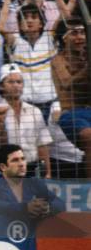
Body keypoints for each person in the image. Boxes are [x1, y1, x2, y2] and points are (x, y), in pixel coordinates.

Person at [0, 64, 53, 177]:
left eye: (19, 82)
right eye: (10, 82)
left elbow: (42, 144)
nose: (16, 85)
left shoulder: (34, 111)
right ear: (1, 86)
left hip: (32, 168)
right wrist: (0, 123)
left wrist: (48, 173)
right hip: (7, 170)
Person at [0, 144, 65, 236]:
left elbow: (60, 204)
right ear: (3, 167)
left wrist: (47, 207)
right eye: (15, 160)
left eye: (23, 159)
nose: (21, 164)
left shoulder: (34, 183)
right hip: (2, 238)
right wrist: (25, 208)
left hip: (31, 240)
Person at [51, 18, 91, 178]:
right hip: (71, 113)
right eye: (74, 33)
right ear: (64, 38)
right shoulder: (58, 60)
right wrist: (88, 68)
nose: (80, 37)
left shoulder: (86, 58)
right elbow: (67, 82)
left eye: (82, 33)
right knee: (89, 136)